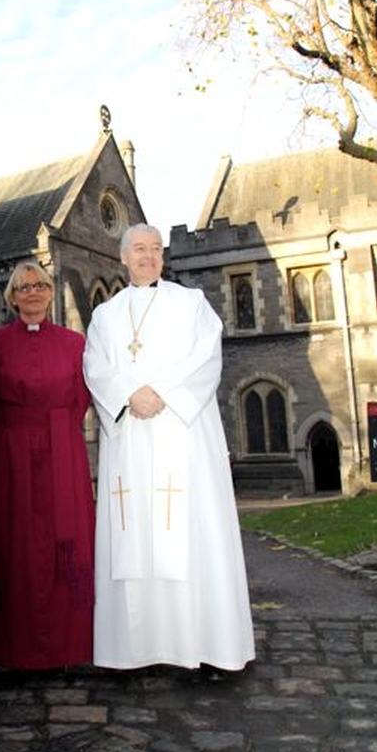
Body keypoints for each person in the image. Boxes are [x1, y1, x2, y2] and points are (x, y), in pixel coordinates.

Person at [83, 223, 255, 672]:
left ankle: (205, 646)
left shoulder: (191, 303)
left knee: (192, 531)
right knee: (132, 534)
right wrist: (127, 395)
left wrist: (162, 395)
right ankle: (135, 650)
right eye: (139, 249)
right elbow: (94, 366)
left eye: (156, 249)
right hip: (131, 440)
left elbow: (206, 357)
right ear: (123, 256)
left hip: (184, 434)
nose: (148, 256)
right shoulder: (105, 315)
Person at [0, 261, 95, 669]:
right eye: (23, 286)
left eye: (40, 285)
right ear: (12, 298)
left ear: (51, 292)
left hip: (62, 451)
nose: (33, 291)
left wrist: (57, 433)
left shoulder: (74, 342)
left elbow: (81, 397)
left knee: (66, 542)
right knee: (16, 544)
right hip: (9, 455)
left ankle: (69, 645)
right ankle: (15, 646)